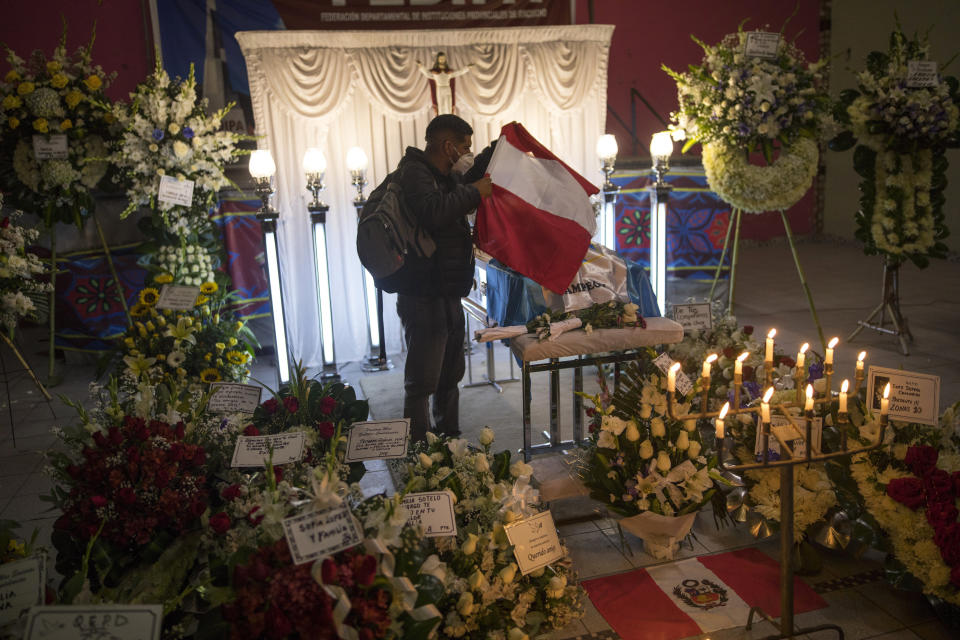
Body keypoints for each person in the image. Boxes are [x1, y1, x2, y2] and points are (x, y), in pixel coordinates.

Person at [393, 114, 493, 443]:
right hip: (422, 293)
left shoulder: (442, 173)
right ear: (448, 146)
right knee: (423, 379)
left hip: (447, 290)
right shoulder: (414, 173)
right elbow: (435, 212)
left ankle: (449, 437)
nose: (466, 153)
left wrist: (495, 153)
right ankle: (419, 447)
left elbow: (461, 189)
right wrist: (477, 192)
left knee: (450, 372)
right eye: (464, 147)